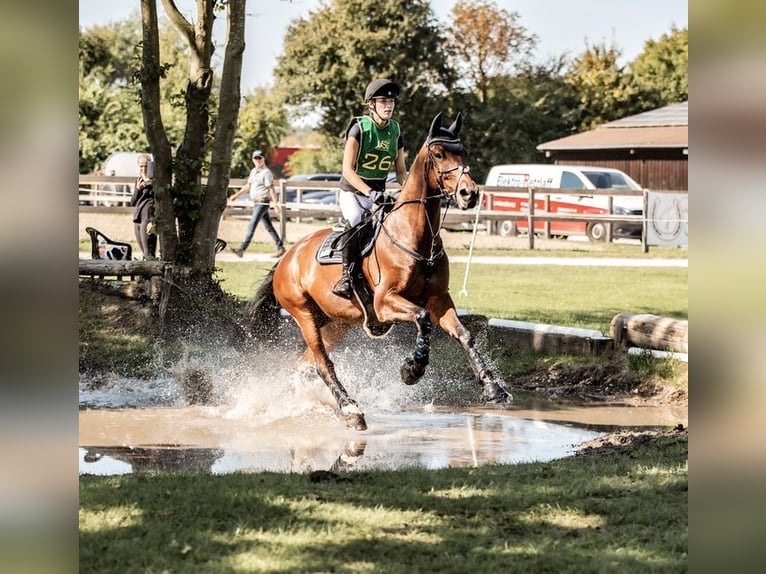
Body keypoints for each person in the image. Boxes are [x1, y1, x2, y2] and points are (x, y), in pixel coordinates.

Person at [332, 78, 408, 299]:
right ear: (371, 104)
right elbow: (347, 170)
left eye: (391, 101)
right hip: (353, 192)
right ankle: (346, 276)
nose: (389, 105)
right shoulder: (359, 128)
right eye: (383, 101)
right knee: (356, 219)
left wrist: (414, 192)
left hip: (379, 195)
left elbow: (402, 172)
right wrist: (369, 192)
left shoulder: (395, 130)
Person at [227, 150, 286, 258]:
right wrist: (235, 196)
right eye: (256, 158)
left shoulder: (266, 172)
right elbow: (247, 187)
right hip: (256, 203)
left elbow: (271, 189)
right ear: (253, 159)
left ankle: (242, 249)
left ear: (263, 159)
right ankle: (280, 247)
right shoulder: (253, 171)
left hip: (262, 202)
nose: (258, 160)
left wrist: (276, 205)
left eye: (260, 158)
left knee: (252, 224)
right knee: (269, 227)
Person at [130, 153, 157, 260]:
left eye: (146, 166)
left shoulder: (155, 181)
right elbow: (133, 202)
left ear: (150, 166)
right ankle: (145, 276)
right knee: (143, 251)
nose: (143, 168)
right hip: (137, 219)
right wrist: (137, 189)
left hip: (148, 219)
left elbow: (157, 201)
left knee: (148, 252)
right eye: (141, 166)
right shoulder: (138, 180)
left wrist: (153, 221)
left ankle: (152, 275)